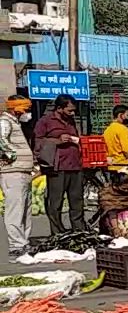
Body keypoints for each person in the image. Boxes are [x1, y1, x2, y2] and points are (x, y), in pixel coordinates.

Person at [35, 94, 87, 235]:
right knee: (55, 202)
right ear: (59, 108)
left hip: (75, 165)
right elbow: (38, 143)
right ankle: (57, 232)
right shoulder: (45, 121)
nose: (72, 113)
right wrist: (57, 140)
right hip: (56, 167)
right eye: (69, 110)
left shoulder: (71, 121)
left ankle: (79, 230)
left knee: (77, 201)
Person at [0, 97, 33, 258]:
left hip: (23, 172)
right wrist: (11, 155)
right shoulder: (4, 121)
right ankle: (16, 245)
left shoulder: (16, 123)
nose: (28, 113)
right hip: (12, 172)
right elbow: (1, 140)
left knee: (25, 210)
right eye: (26, 109)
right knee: (15, 210)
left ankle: (23, 242)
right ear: (17, 108)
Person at [104, 104, 128, 170]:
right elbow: (127, 150)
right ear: (120, 115)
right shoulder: (123, 129)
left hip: (111, 165)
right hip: (122, 165)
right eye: (127, 115)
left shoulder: (107, 130)